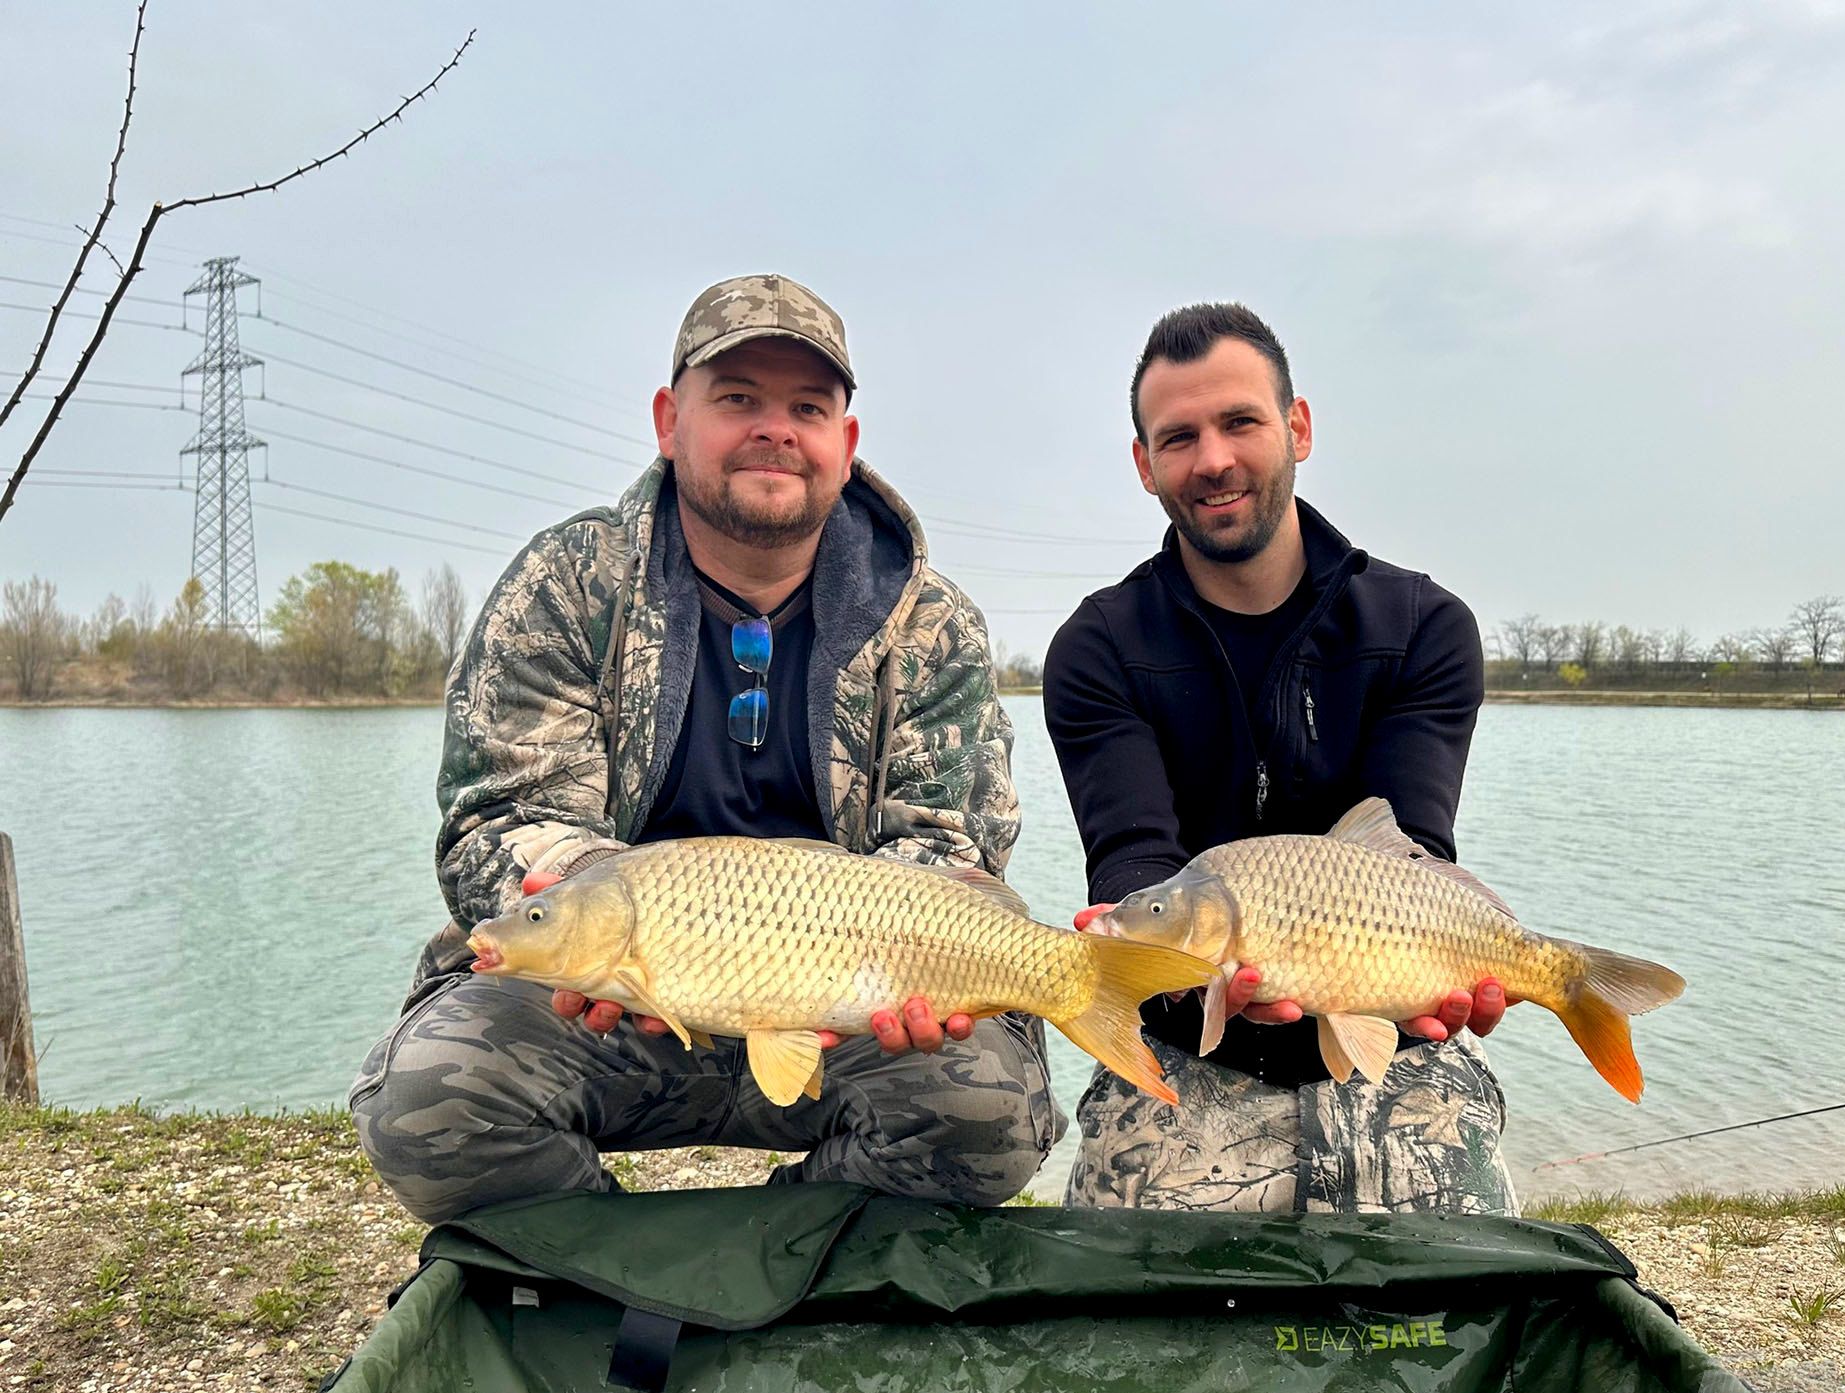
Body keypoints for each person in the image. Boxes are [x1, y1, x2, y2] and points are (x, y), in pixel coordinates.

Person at [351, 274, 1058, 1224]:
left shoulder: (932, 625)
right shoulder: (566, 586)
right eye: (737, 400)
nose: (775, 428)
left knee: (988, 1118)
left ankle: (793, 1249)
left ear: (845, 447)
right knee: (433, 1103)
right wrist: (621, 934)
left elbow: (947, 848)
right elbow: (501, 819)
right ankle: (614, 1270)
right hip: (607, 1006)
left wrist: (914, 972)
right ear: (667, 420)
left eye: (807, 407)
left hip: (856, 1006)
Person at [1043, 301, 1515, 1214]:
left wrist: (1428, 978)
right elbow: (1136, 860)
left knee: (1451, 1305)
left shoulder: (1423, 628)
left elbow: (1409, 844)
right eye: (1178, 437)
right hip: (1193, 1042)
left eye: (1240, 422)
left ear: (1297, 427)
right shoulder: (1098, 647)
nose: (1213, 459)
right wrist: (1191, 973)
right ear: (1145, 466)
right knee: (1125, 1314)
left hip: (1397, 1031)